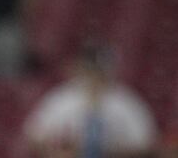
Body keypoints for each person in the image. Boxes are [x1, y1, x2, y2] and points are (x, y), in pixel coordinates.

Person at [23, 43, 158, 158]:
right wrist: (64, 149)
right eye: (89, 68)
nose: (94, 75)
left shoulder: (126, 102)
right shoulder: (61, 98)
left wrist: (106, 150)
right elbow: (34, 136)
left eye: (98, 69)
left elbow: (146, 145)